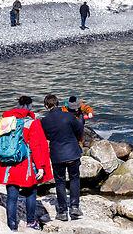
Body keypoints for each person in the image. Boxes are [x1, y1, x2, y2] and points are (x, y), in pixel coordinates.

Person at [0, 95, 53, 231]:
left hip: (8, 163)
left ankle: (12, 226)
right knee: (31, 193)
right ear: (29, 106)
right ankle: (31, 222)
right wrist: (41, 167)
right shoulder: (32, 122)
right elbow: (37, 146)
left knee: (12, 196)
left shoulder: (6, 119)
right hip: (25, 163)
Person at [40, 94, 84, 222]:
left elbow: (46, 136)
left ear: (46, 106)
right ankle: (75, 207)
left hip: (57, 154)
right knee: (74, 178)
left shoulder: (44, 121)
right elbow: (79, 129)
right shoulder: (68, 116)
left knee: (60, 182)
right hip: (72, 152)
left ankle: (63, 211)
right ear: (58, 103)